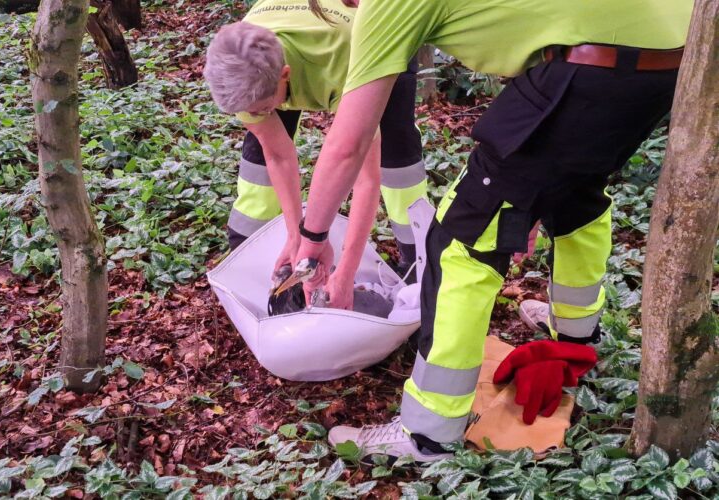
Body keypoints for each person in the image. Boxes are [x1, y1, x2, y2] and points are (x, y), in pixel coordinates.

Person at [292, 0, 691, 460]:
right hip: (664, 61)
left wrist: (314, 239)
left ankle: (428, 432)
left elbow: (348, 143)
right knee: (578, 197)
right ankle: (577, 344)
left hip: (589, 67)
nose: (354, 8)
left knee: (460, 240)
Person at [203, 0, 428, 307]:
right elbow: (279, 155)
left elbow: (364, 177)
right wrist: (297, 238)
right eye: (250, 112)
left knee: (396, 146)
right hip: (297, 44)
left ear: (285, 74)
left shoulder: (346, 62)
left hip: (372, 38)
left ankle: (417, 256)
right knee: (259, 148)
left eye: (263, 108)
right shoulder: (237, 62)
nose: (257, 115)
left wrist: (345, 274)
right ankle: (250, 243)